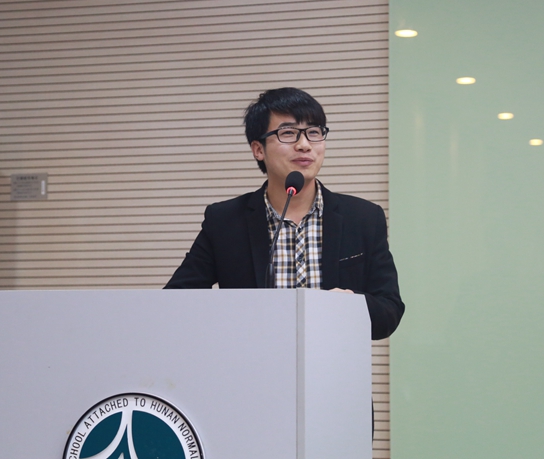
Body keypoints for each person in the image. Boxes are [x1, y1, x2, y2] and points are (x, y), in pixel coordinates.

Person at [164, 87, 404, 340]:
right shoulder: (225, 221)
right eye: (288, 133)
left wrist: (351, 306)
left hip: (334, 361)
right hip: (251, 360)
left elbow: (389, 310)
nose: (304, 145)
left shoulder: (363, 218)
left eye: (314, 132)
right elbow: (175, 303)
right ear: (258, 149)